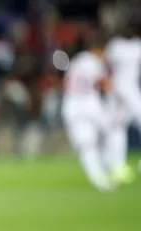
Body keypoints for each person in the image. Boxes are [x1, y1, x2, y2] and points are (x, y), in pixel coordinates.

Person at [62, 34, 115, 191]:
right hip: (90, 102)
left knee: (88, 144)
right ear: (98, 49)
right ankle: (108, 168)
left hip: (72, 103)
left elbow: (67, 82)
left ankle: (98, 175)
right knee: (111, 133)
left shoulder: (77, 60)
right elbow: (103, 82)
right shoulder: (93, 61)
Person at [104, 23, 141, 184]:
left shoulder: (116, 45)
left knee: (117, 128)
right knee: (116, 128)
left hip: (120, 89)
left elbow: (107, 66)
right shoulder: (119, 45)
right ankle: (116, 165)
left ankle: (115, 164)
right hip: (124, 89)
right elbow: (106, 66)